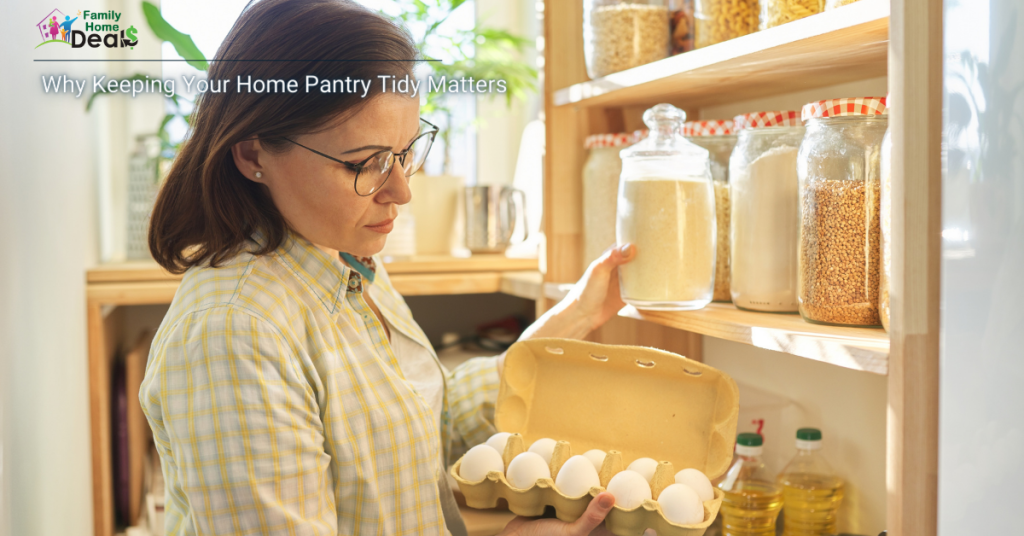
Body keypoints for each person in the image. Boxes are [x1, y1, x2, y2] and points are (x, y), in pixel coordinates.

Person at [141, 1, 634, 535]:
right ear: (252, 154)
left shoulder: (345, 257)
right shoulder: (234, 333)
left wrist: (576, 317)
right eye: (366, 162)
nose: (401, 190)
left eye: (404, 152)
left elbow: (428, 423)